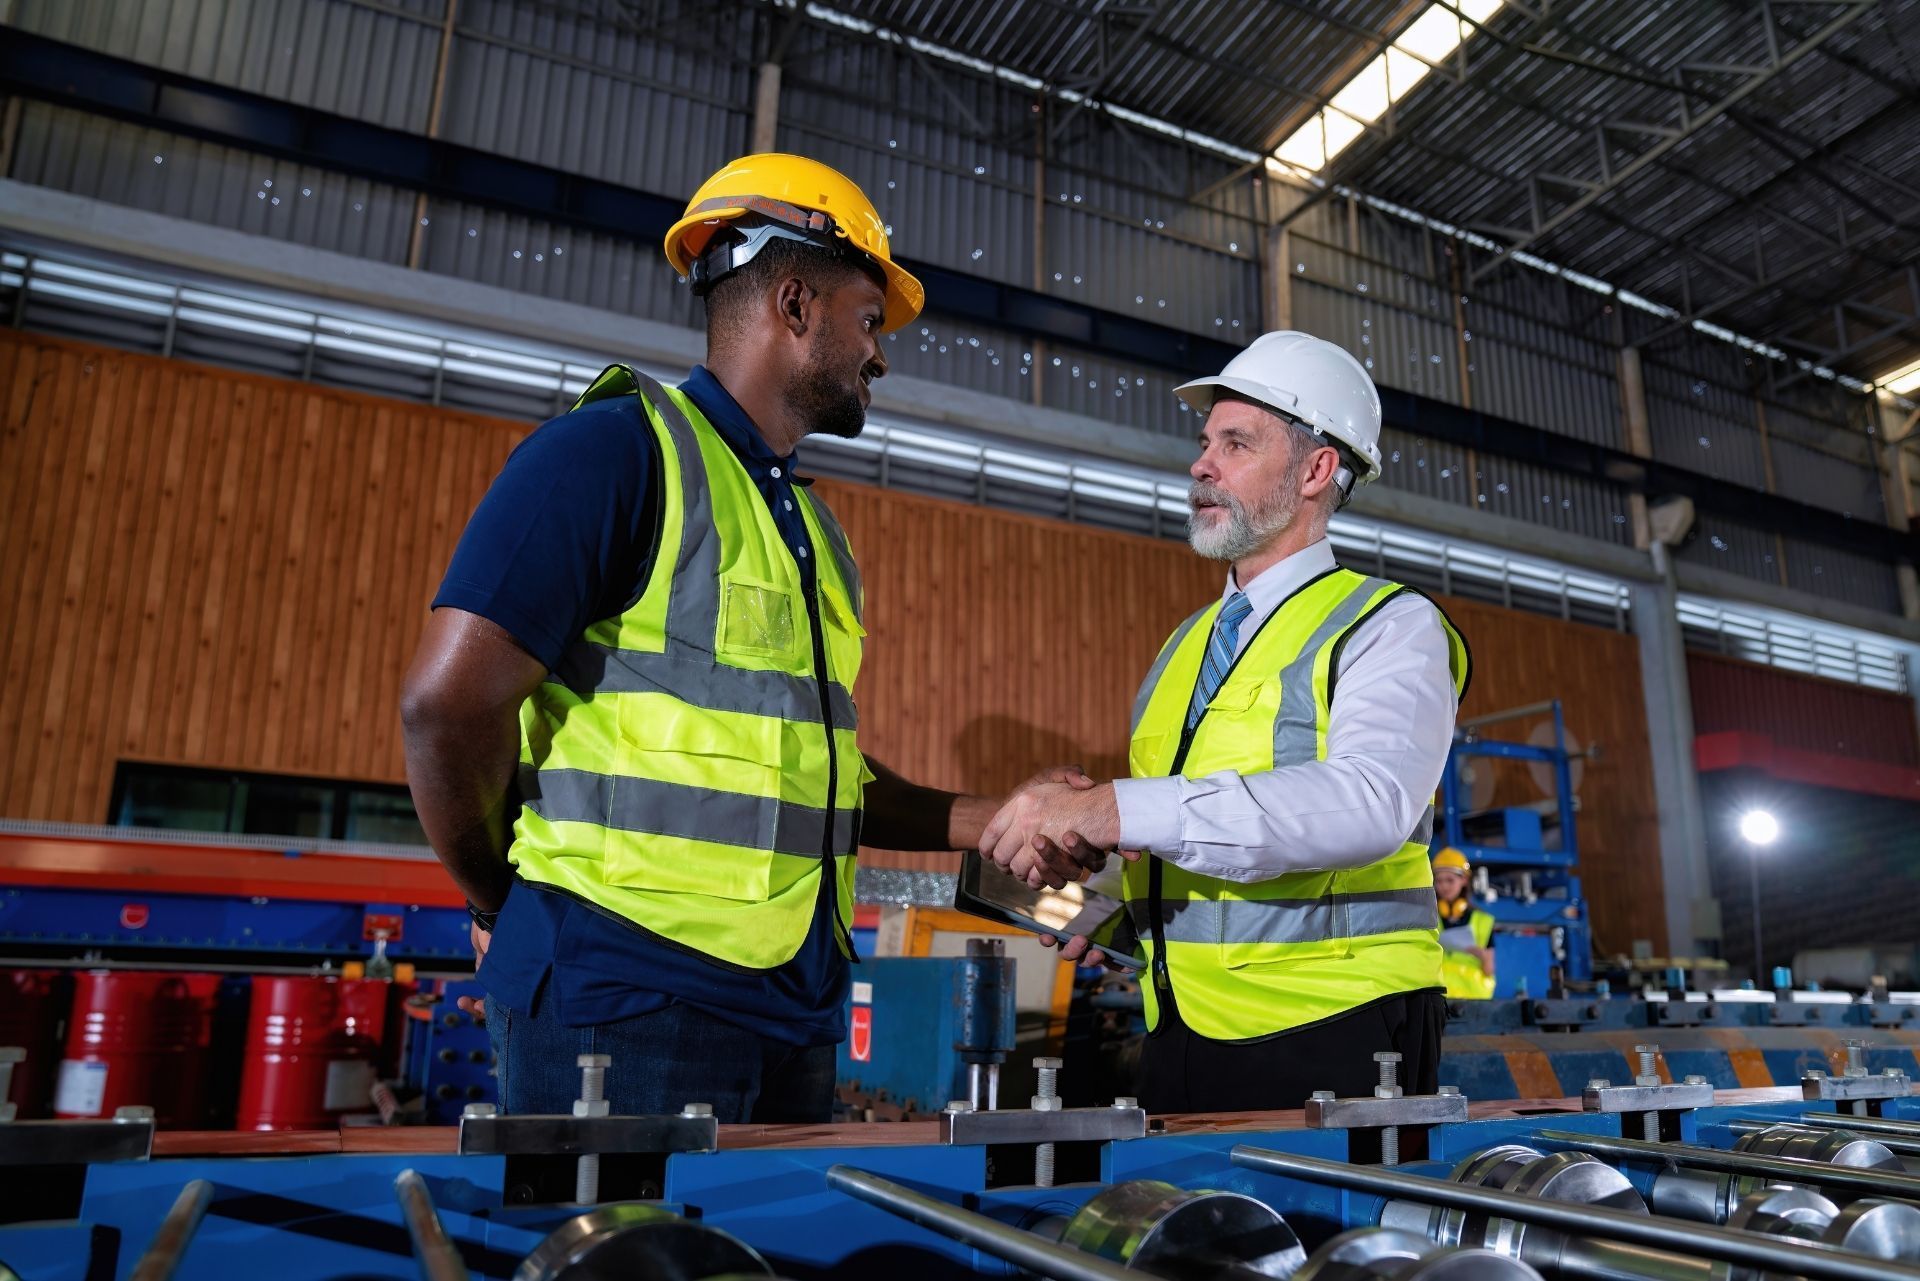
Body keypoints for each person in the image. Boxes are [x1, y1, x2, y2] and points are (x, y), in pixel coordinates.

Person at [400, 153, 1088, 1124]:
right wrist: (495, 900)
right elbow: (444, 705)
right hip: (621, 998)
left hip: (791, 1006)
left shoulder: (812, 532)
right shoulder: (613, 454)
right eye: (870, 320)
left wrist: (995, 818)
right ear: (796, 304)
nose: (881, 356)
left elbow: (813, 776)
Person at [978, 330, 1470, 1113]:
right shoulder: (1184, 646)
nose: (1202, 465)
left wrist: (1111, 805)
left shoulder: (1388, 624)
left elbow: (1372, 801)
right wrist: (1112, 901)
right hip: (1178, 1023)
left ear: (1316, 471)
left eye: (1236, 444)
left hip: (1337, 1025)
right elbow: (1191, 831)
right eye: (1205, 443)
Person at [1433, 846, 1498, 1000]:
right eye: (1439, 881)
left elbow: (1489, 970)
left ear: (1464, 880)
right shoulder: (1428, 918)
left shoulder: (1483, 921)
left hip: (1473, 1002)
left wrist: (1482, 956)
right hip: (1439, 1000)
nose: (1444, 886)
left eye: (1450, 880)